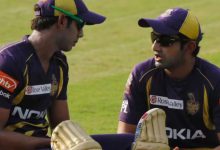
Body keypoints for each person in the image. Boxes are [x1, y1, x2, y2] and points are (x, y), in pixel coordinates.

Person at [0, 0, 106, 149]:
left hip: (44, 145)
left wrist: (74, 141)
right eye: (80, 25)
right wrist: (50, 142)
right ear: (62, 20)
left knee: (130, 143)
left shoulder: (59, 63)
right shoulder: (9, 62)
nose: (81, 34)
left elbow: (62, 127)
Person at [118, 7, 220, 149]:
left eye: (165, 41)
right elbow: (124, 138)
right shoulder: (142, 75)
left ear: (190, 47)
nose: (155, 46)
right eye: (154, 37)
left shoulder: (214, 81)